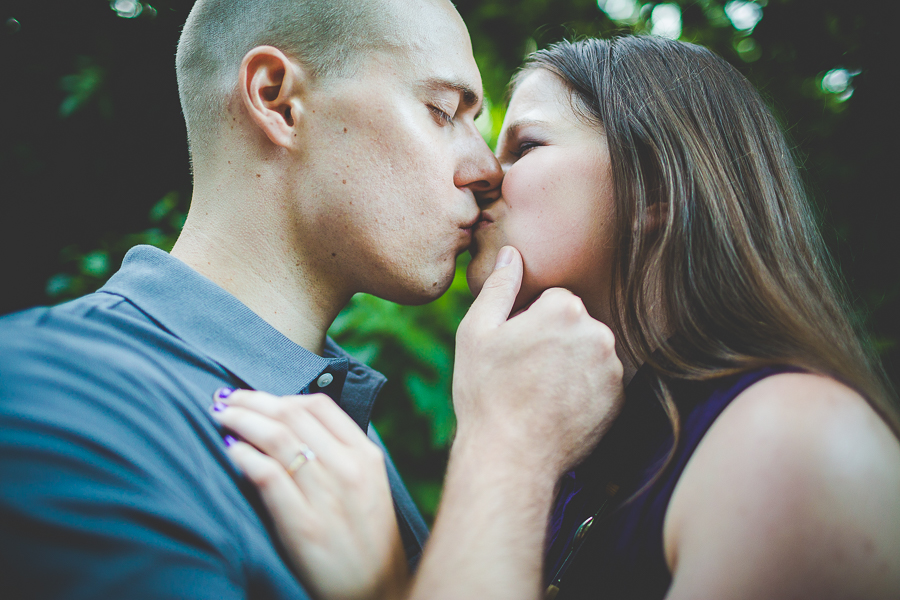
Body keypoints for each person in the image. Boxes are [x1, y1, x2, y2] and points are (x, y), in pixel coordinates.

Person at [219, 36, 900, 600]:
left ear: (653, 190)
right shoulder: (592, 473)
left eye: (525, 146)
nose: (484, 172)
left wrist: (501, 448)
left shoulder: (792, 442)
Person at [0, 1, 625, 598]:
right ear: (279, 99)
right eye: (441, 110)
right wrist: (509, 449)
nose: (487, 168)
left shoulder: (340, 424)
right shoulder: (43, 395)